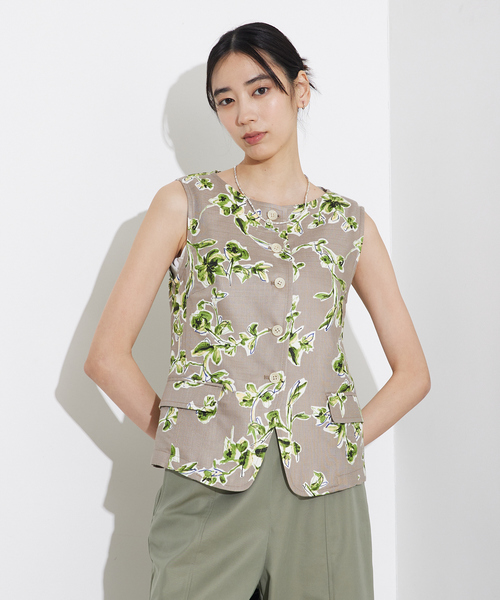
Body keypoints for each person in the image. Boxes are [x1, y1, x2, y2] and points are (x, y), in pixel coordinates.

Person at [85, 22, 430, 600]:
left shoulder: (350, 225)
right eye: (226, 100)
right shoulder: (184, 205)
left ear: (300, 90)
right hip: (207, 491)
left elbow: (413, 373)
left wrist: (334, 439)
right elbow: (106, 357)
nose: (244, 113)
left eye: (260, 90)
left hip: (324, 495)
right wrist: (188, 435)